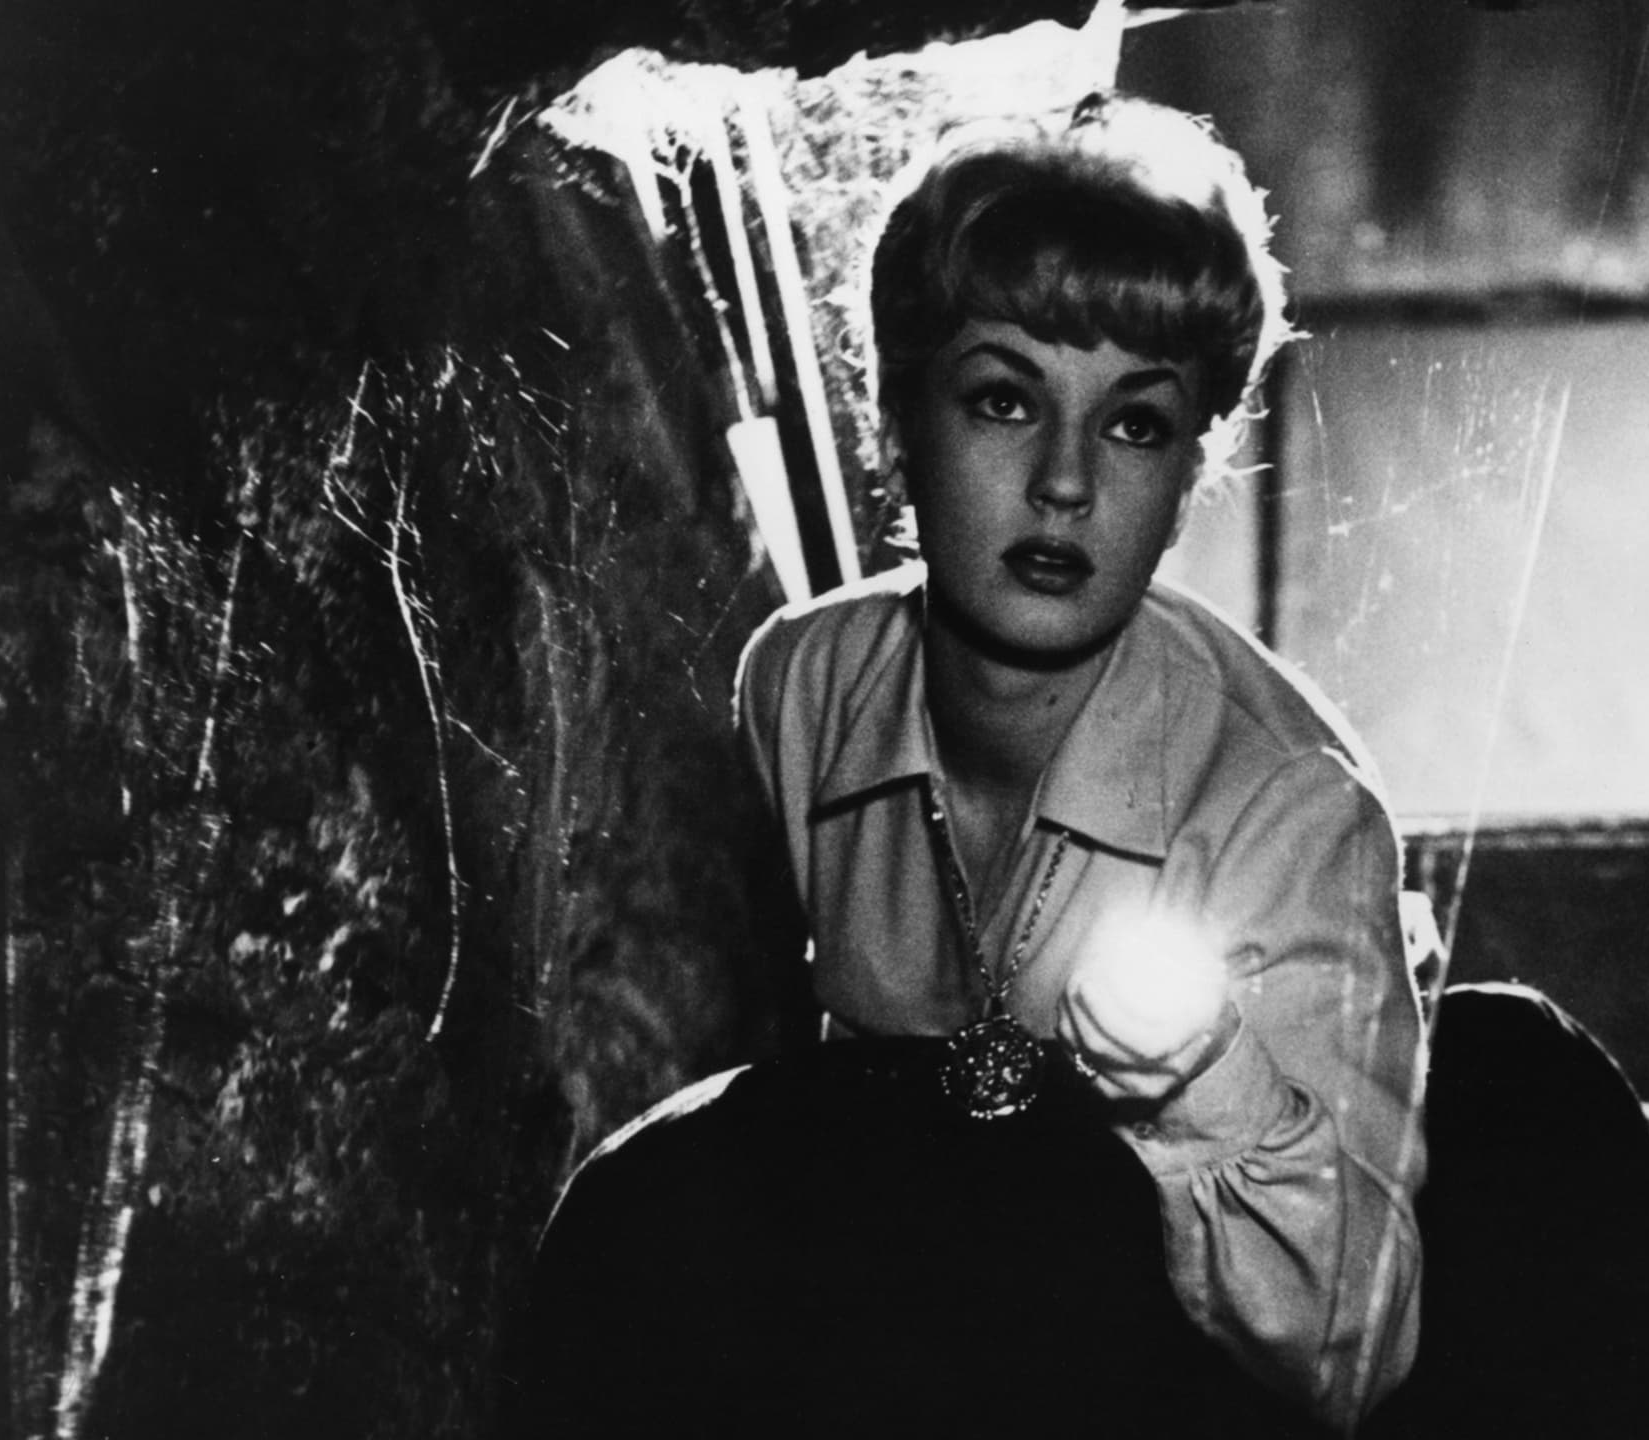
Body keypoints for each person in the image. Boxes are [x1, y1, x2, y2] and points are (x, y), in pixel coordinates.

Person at [503, 94, 1424, 1438]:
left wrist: (1204, 1076)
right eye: (1004, 400)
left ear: (1190, 476)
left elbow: (1354, 1350)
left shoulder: (1289, 808)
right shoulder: (800, 687)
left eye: (1134, 425)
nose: (1064, 484)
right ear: (898, 424)